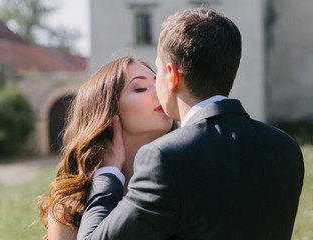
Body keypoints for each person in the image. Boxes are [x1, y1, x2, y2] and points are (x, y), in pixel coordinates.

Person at [77, 7, 305, 240]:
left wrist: (107, 174)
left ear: (172, 75)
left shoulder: (165, 158)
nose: (155, 89)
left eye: (158, 76)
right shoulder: (286, 148)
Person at [36, 56, 175, 239]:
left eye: (159, 83)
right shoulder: (70, 211)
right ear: (108, 112)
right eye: (140, 88)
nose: (159, 92)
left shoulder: (184, 181)